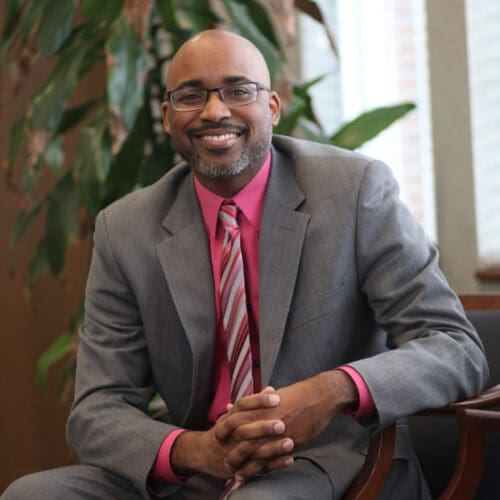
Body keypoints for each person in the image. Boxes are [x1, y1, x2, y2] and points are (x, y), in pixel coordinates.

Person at [2, 29, 488, 500]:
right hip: (197, 467)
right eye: (191, 96)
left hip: (337, 460)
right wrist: (195, 450)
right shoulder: (126, 229)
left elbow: (455, 347)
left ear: (272, 107)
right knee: (32, 493)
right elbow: (95, 409)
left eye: (238, 90)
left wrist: (331, 390)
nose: (215, 111)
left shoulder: (354, 191)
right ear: (168, 117)